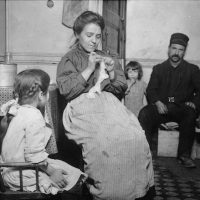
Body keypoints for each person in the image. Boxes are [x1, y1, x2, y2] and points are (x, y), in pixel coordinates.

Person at [57, 11, 154, 200]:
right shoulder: (69, 58)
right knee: (103, 142)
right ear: (77, 34)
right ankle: (106, 192)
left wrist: (111, 71)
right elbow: (67, 91)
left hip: (108, 106)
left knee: (136, 136)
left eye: (98, 36)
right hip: (81, 108)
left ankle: (135, 191)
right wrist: (89, 68)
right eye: (89, 35)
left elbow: (119, 88)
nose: (94, 41)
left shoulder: (105, 56)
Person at [0, 69, 87, 195]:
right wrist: (52, 172)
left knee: (67, 168)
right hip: (21, 175)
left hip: (10, 169)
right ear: (41, 95)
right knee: (74, 181)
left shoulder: (15, 108)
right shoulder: (34, 116)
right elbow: (34, 156)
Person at [138, 33, 200, 168]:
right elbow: (151, 90)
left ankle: (184, 156)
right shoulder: (159, 69)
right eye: (174, 48)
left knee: (190, 113)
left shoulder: (192, 70)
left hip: (181, 109)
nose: (176, 52)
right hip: (162, 107)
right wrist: (157, 102)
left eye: (180, 49)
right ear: (168, 48)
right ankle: (145, 153)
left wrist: (194, 103)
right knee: (144, 113)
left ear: (184, 52)